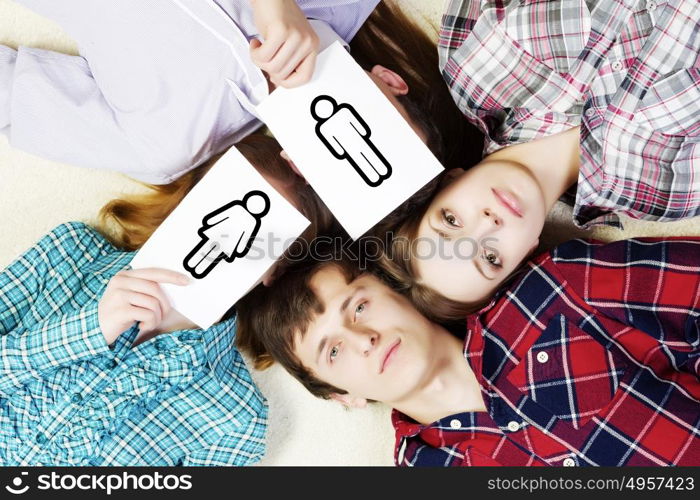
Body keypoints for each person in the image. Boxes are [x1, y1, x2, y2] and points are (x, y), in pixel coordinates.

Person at [0, 134, 332, 466]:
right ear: (187, 198)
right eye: (218, 197)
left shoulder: (235, 424)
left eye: (267, 237)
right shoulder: (70, 252)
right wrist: (88, 329)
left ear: (272, 272)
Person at [234, 238, 700, 466]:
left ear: (397, 290)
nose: (363, 338)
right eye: (333, 352)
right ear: (340, 395)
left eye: (358, 306)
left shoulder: (551, 292)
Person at [0, 0, 482, 184]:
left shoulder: (166, 142)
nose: (354, 139)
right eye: (381, 131)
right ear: (390, 81)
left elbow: (11, 96)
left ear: (300, 166)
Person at [437, 0, 700, 228]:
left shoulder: (468, 69)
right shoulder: (667, 197)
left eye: (450, 220)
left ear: (448, 181)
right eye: (491, 258)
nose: (487, 223)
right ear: (530, 251)